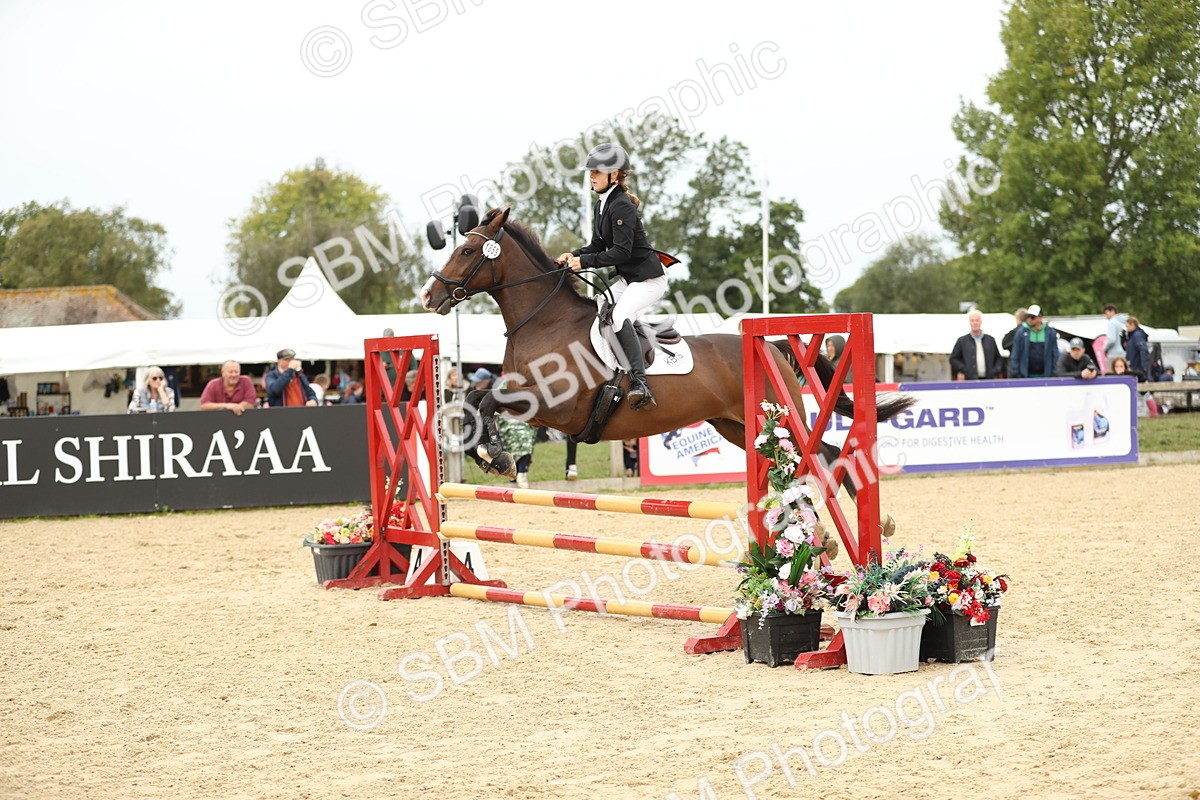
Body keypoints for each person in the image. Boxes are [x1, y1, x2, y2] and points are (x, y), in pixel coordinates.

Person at [554, 143, 675, 412]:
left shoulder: (621, 206)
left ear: (615, 173)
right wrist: (573, 254)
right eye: (591, 172)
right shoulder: (603, 204)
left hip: (648, 280)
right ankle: (613, 367)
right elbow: (598, 244)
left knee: (619, 317)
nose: (591, 176)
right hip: (631, 279)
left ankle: (640, 383)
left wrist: (585, 262)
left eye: (596, 171)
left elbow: (621, 252)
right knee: (601, 308)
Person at [950, 309, 1003, 380]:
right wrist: (964, 369)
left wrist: (995, 370)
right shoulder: (962, 341)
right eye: (972, 320)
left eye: (977, 320)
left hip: (988, 379)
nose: (975, 323)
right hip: (970, 379)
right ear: (969, 322)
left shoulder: (990, 340)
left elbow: (998, 358)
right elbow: (953, 359)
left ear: (981, 322)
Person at [1009, 304, 1059, 379]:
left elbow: (1055, 354)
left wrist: (1053, 372)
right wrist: (1017, 373)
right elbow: (1015, 354)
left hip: (1046, 375)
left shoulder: (1050, 333)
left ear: (1040, 317)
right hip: (1025, 376)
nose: (1029, 319)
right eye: (1028, 317)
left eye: (1032, 317)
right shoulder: (1020, 332)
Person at [1124, 316, 1151, 381]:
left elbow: (1143, 349)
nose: (1127, 329)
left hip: (1137, 367)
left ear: (1132, 324)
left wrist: (1144, 365)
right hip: (1134, 366)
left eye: (1127, 326)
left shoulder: (1137, 335)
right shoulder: (1132, 336)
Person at [1102, 303, 1127, 369]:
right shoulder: (1122, 323)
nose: (1106, 316)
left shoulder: (1111, 322)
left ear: (1112, 311)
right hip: (1123, 354)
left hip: (1113, 355)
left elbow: (1111, 340)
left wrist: (1104, 349)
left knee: (1111, 374)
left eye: (1106, 313)